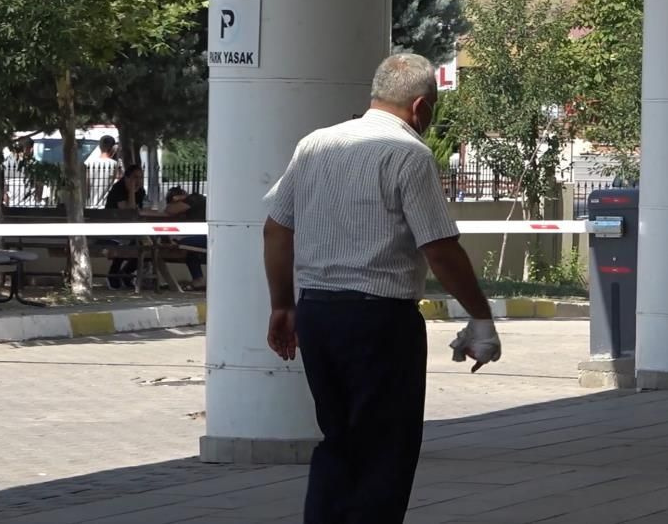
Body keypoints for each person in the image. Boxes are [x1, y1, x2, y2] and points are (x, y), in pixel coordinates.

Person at [262, 53, 503, 524]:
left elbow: (275, 229)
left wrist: (282, 305)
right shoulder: (409, 154)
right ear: (421, 108)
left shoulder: (314, 144)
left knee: (338, 442)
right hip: (380, 322)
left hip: (317, 316)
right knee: (384, 453)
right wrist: (480, 315)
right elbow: (440, 248)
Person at [103, 165, 146, 289]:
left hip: (129, 230)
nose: (138, 181)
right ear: (126, 178)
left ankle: (126, 273)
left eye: (141, 178)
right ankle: (113, 274)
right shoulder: (118, 189)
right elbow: (128, 211)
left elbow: (139, 211)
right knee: (126, 243)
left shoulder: (141, 192)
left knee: (147, 243)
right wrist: (132, 191)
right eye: (135, 178)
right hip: (111, 229)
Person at [161, 186, 207, 290]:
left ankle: (198, 279)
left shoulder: (193, 199)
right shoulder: (196, 201)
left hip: (208, 238)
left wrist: (176, 200)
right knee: (189, 249)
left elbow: (169, 210)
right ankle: (198, 279)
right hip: (207, 237)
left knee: (182, 244)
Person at [85, 135, 122, 208]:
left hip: (90, 206)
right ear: (113, 148)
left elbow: (87, 187)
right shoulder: (116, 165)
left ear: (99, 147)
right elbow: (120, 184)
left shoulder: (89, 164)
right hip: (107, 207)